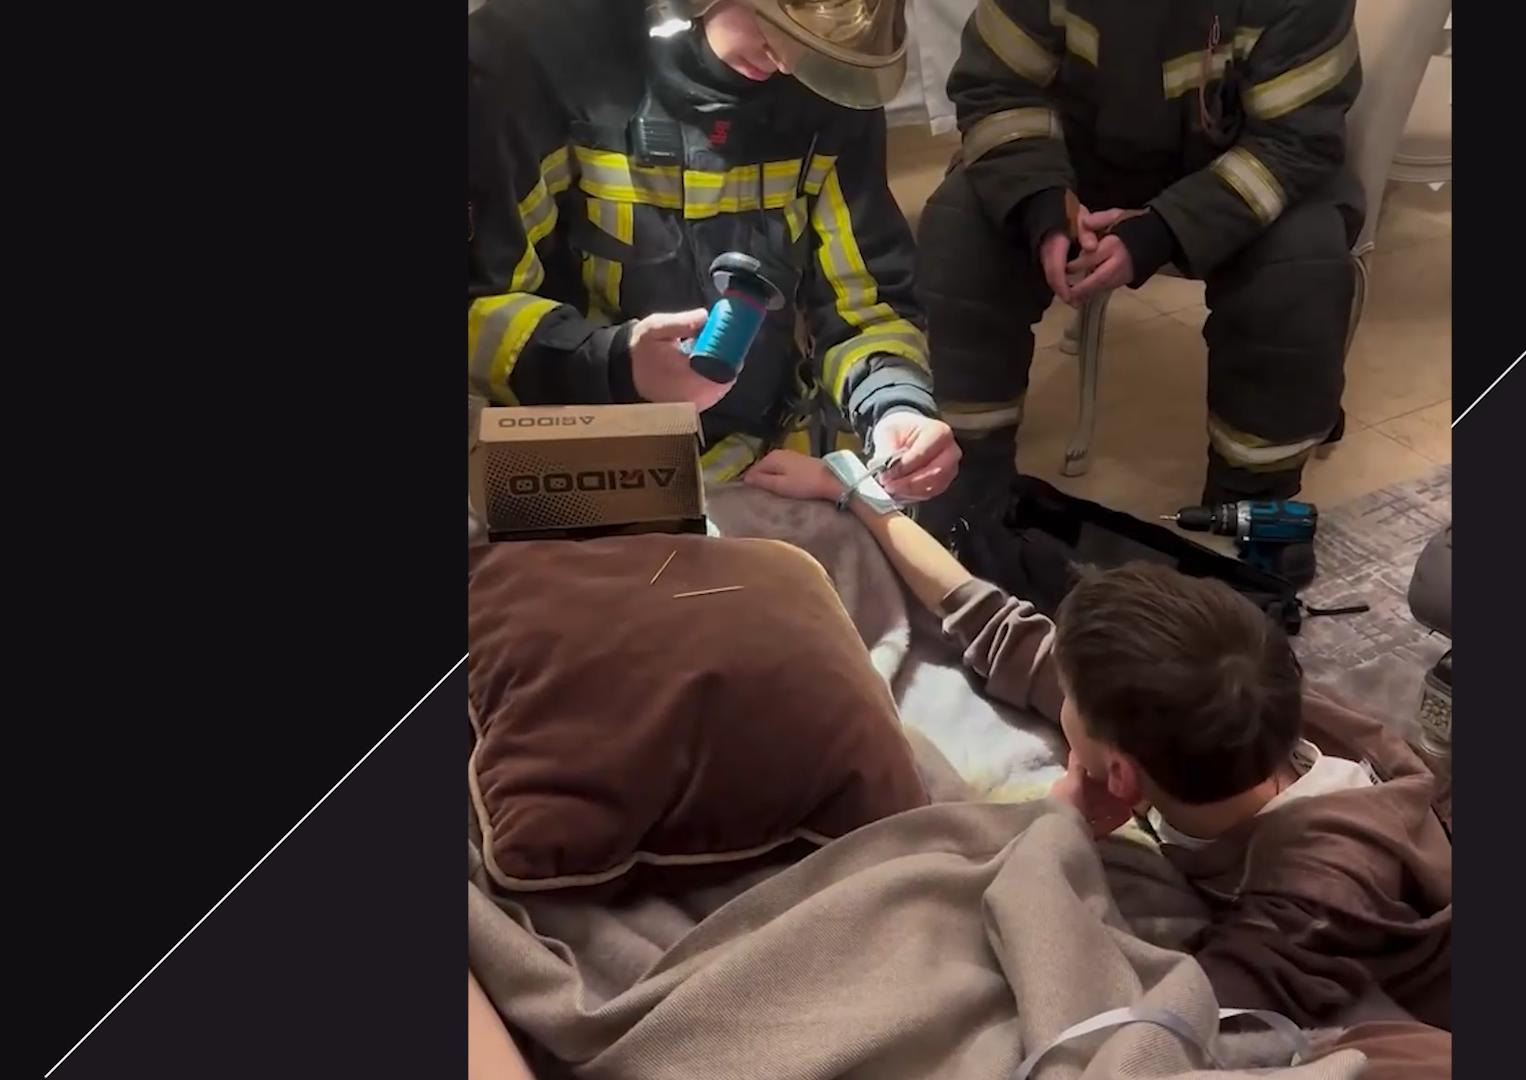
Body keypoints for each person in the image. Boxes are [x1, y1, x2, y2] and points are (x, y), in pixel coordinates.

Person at [744, 447, 1452, 1030]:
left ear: (1120, 776)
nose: (1055, 679)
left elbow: (1160, 1032)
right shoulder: (1214, 703)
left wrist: (1053, 830)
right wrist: (854, 492)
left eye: (1071, 699)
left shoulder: (1318, 897)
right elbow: (991, 620)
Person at [468, 0, 958, 499]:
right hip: (574, 473)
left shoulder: (828, 83)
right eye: (774, 26)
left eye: (812, 44)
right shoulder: (529, 61)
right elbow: (478, 308)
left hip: (758, 465)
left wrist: (895, 404)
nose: (786, 61)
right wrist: (612, 363)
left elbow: (864, 306)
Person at [916, 0, 1363, 531]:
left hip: (1242, 167)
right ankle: (967, 492)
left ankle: (1254, 510)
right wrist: (1040, 201)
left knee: (1299, 271)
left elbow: (1295, 142)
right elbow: (996, 87)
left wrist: (1162, 231)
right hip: (1078, 164)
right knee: (959, 233)